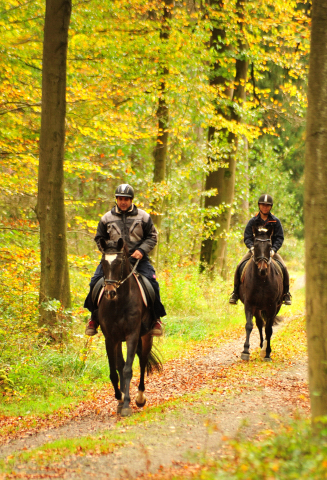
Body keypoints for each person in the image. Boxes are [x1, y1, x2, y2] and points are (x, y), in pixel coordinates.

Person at [84, 184, 166, 336]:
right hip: (113, 261)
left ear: (131, 200)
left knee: (152, 283)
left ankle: (156, 319)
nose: (123, 202)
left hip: (137, 260)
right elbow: (99, 238)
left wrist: (141, 250)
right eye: (120, 199)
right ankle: (94, 318)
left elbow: (152, 236)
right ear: (116, 199)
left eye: (126, 199)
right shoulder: (106, 218)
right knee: (95, 282)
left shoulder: (143, 217)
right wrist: (109, 253)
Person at [229, 194, 292, 305]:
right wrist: (252, 248)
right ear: (259, 206)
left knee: (284, 267)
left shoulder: (275, 222)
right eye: (263, 205)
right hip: (255, 251)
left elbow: (280, 238)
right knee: (239, 266)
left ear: (270, 207)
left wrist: (274, 250)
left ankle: (286, 293)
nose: (265, 207)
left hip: (270, 252)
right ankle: (235, 293)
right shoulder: (253, 221)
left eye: (267, 205)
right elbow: (247, 237)